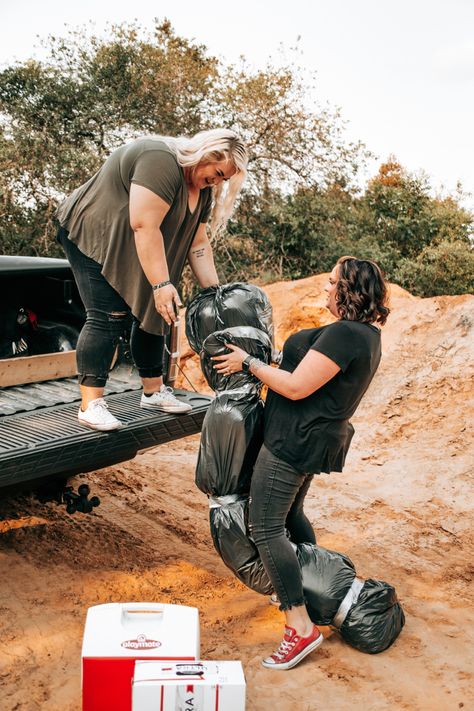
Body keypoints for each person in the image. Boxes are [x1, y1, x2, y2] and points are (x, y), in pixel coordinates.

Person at [212, 256, 390, 670]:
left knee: (265, 527)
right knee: (291, 516)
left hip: (292, 443)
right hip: (307, 439)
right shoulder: (364, 335)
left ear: (349, 290)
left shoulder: (346, 334)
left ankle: (299, 625)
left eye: (332, 283)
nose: (325, 289)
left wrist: (249, 365)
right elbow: (304, 369)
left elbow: (294, 387)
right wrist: (266, 356)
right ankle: (308, 589)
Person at [56, 129, 248, 431]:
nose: (219, 181)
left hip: (135, 242)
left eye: (225, 179)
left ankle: (153, 391)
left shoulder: (203, 189)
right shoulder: (161, 161)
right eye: (219, 173)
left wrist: (215, 293)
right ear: (206, 154)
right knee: (108, 314)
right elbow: (144, 225)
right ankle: (90, 405)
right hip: (96, 233)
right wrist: (160, 285)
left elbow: (198, 243)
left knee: (160, 311)